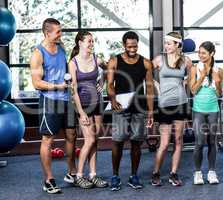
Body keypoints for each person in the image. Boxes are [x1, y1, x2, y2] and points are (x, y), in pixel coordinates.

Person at [30, 18, 77, 194]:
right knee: (48, 140)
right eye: (57, 31)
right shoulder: (38, 53)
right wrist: (57, 86)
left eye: (60, 31)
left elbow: (65, 70)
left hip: (66, 98)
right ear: (47, 33)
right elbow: (36, 83)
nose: (60, 34)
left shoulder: (61, 48)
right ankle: (48, 179)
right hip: (50, 99)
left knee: (72, 134)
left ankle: (72, 172)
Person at [107, 31, 154, 191]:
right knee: (118, 142)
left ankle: (134, 176)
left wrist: (151, 111)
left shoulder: (146, 63)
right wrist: (112, 99)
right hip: (121, 106)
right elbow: (110, 85)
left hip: (139, 108)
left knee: (136, 143)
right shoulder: (114, 61)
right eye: (129, 46)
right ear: (124, 45)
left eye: (135, 46)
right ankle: (115, 175)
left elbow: (149, 88)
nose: (133, 49)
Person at [151, 32, 193, 187]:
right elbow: (145, 73)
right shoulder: (159, 59)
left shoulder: (186, 61)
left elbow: (193, 75)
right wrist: (156, 86)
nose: (166, 46)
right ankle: (156, 172)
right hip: (164, 105)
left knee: (179, 140)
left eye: (169, 43)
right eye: (166, 43)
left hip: (181, 103)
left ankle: (173, 173)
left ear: (177, 45)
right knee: (164, 142)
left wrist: (187, 82)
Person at [68, 30, 108, 189]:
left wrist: (102, 83)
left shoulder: (96, 58)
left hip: (97, 103)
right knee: (89, 139)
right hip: (83, 105)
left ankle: (93, 174)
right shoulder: (73, 63)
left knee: (95, 140)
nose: (91, 44)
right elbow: (73, 90)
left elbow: (105, 69)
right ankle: (79, 176)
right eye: (89, 41)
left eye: (92, 41)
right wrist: (81, 112)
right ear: (80, 43)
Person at [189, 41, 223, 185]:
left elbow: (220, 94)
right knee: (199, 142)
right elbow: (193, 90)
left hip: (213, 110)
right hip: (198, 110)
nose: (200, 55)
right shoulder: (194, 68)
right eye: (199, 52)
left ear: (212, 54)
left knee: (212, 141)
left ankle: (211, 172)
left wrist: (218, 83)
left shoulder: (219, 70)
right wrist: (202, 76)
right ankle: (197, 173)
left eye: (203, 53)